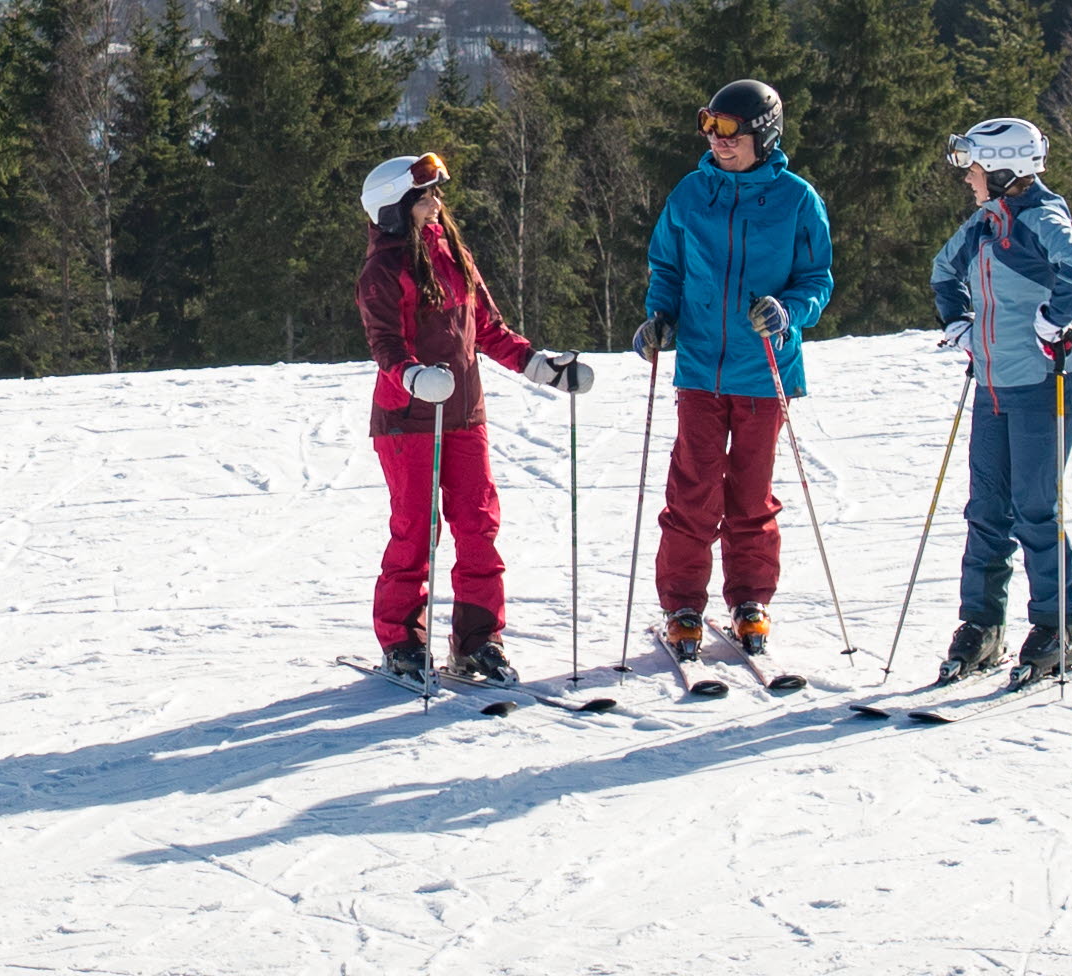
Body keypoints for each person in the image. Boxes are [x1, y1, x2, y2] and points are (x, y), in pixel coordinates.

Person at [356, 151, 593, 684]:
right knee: (417, 531)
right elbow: (385, 344)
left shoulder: (450, 251)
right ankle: (402, 642)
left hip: (465, 414)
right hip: (408, 420)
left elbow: (487, 326)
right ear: (395, 208)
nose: (437, 204)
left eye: (437, 194)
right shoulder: (383, 268)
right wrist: (415, 376)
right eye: (426, 197)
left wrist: (537, 365)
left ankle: (479, 641)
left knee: (478, 527)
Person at [631, 79, 833, 661]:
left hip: (764, 370)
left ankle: (749, 599)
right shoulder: (692, 194)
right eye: (710, 127)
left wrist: (788, 311)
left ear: (763, 134)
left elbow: (816, 280)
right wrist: (660, 318)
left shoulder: (798, 199)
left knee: (750, 494)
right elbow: (666, 267)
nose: (717, 141)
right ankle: (683, 603)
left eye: (729, 130)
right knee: (692, 490)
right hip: (698, 368)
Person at [929, 116, 1072, 679]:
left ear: (1004, 169)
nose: (967, 178)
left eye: (973, 167)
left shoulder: (1041, 218)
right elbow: (942, 271)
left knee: (1035, 511)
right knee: (986, 512)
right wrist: (959, 327)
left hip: (1044, 388)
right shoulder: (984, 222)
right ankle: (981, 626)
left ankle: (1056, 629)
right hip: (993, 388)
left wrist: (1053, 320)